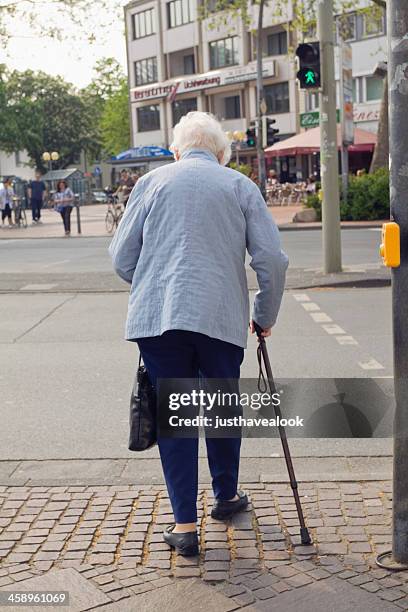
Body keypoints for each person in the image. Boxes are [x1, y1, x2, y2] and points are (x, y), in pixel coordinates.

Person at [109, 111, 288, 557]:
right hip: (221, 319)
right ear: (222, 153)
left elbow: (121, 258)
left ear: (175, 150)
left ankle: (185, 525)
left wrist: (155, 283)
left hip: (160, 319)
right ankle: (225, 497)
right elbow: (272, 260)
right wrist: (264, 314)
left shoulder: (150, 184)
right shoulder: (239, 186)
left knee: (178, 416)